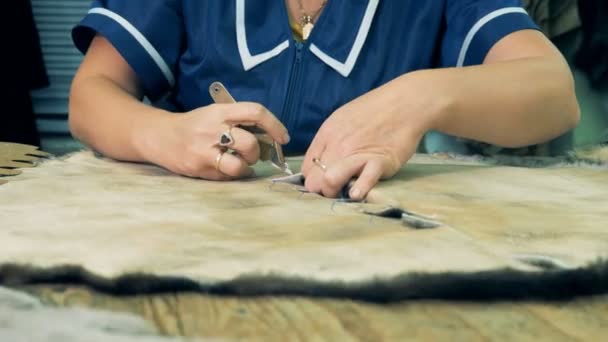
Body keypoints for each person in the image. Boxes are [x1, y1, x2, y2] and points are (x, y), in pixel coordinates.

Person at [69, 0, 580, 200]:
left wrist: (423, 93)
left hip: (379, 250)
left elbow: (553, 94)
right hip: (188, 240)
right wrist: (162, 134)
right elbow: (92, 95)